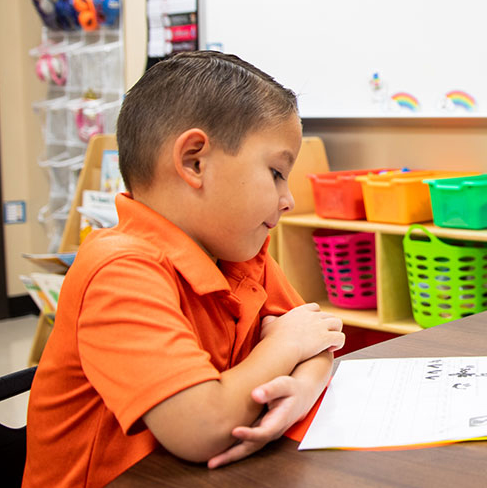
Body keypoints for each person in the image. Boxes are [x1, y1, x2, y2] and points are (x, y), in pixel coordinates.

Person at [24, 51, 346, 487]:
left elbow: (316, 336)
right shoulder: (119, 271)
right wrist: (283, 348)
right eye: (275, 173)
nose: (287, 199)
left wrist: (304, 386)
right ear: (194, 161)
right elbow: (202, 428)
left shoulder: (240, 251)